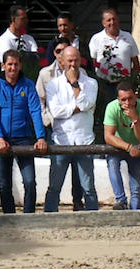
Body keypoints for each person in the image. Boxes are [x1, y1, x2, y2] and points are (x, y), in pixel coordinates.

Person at [0, 49, 49, 214]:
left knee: (29, 181)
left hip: (24, 139)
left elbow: (35, 111)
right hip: (3, 140)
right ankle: (9, 217)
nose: (13, 68)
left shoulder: (28, 84)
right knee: (4, 184)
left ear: (20, 65)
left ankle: (29, 216)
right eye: (9, 64)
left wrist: (40, 137)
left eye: (16, 64)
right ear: (3, 65)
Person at [43, 44, 99, 212]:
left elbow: (87, 103)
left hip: (84, 140)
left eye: (75, 60)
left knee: (88, 186)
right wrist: (76, 107)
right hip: (62, 140)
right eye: (69, 61)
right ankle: (49, 217)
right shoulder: (53, 85)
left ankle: (93, 220)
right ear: (62, 61)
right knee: (54, 186)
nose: (73, 64)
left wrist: (75, 85)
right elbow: (55, 111)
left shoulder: (91, 82)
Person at [37, 40, 85, 210]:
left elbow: (84, 103)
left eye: (65, 50)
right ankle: (51, 209)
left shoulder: (81, 73)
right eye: (58, 51)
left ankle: (78, 204)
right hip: (54, 128)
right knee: (56, 173)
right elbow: (40, 102)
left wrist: (71, 108)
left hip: (78, 129)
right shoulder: (45, 74)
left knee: (79, 173)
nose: (62, 54)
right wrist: (48, 120)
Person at [102, 80, 140, 210]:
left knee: (136, 187)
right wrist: (129, 147)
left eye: (130, 99)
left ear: (136, 96)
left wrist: (135, 119)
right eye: (123, 100)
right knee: (112, 165)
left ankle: (135, 213)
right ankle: (120, 200)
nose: (127, 103)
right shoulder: (111, 107)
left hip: (137, 147)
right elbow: (108, 136)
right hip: (118, 146)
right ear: (118, 100)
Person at [88, 6, 139, 83]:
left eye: (114, 19)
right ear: (103, 23)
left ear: (118, 20)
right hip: (104, 83)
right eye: (109, 20)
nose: (112, 22)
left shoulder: (128, 37)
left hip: (124, 83)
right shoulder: (96, 39)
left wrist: (132, 82)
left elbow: (136, 63)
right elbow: (93, 63)